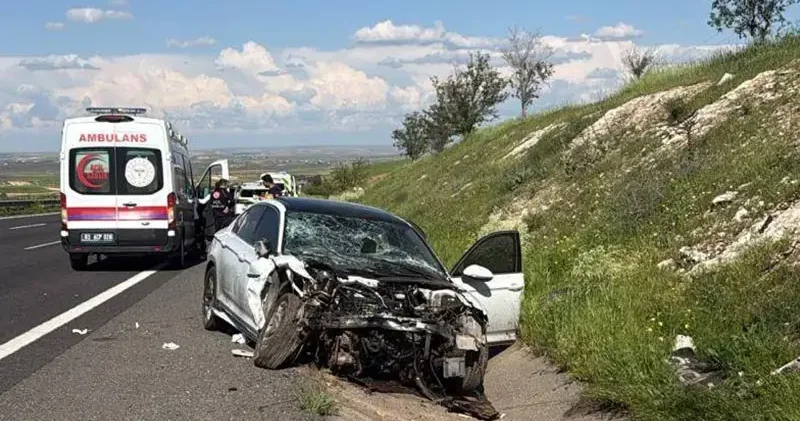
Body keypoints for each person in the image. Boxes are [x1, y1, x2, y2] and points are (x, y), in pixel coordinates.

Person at [203, 178, 235, 247]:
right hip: (224, 217)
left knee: (216, 234)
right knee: (223, 233)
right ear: (224, 185)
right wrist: (228, 207)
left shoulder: (214, 193)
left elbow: (211, 204)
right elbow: (232, 201)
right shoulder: (224, 192)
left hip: (215, 217)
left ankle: (213, 247)